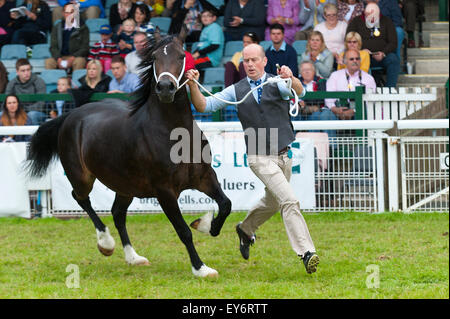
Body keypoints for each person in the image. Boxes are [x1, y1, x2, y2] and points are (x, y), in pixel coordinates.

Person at [186, 43, 320, 274]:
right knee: (289, 201)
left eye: (254, 60)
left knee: (273, 201)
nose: (249, 64)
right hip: (258, 155)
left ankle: (245, 229)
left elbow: (301, 91)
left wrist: (291, 77)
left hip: (284, 153)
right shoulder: (236, 90)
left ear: (264, 61)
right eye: (246, 61)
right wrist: (192, 84)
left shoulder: (277, 82)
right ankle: (307, 253)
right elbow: (203, 105)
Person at [346, 2, 399, 87]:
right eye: (369, 16)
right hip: (362, 56)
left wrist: (383, 53)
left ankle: (389, 90)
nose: (372, 20)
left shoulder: (386, 21)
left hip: (381, 56)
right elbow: (349, 39)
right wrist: (360, 51)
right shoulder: (356, 21)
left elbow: (393, 43)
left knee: (393, 59)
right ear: (365, 14)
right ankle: (361, 88)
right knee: (355, 58)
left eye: (375, 17)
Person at [325, 48, 376, 120]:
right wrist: (334, 109)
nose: (355, 61)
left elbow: (371, 101)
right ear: (345, 62)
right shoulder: (335, 76)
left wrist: (354, 111)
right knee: (326, 115)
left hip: (359, 112)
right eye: (351, 59)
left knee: (362, 115)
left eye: (357, 59)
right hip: (337, 110)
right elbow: (329, 97)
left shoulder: (368, 78)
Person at [297, 60, 338, 139]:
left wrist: (305, 103)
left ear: (314, 71)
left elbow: (320, 99)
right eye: (304, 70)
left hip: (317, 111)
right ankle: (291, 144)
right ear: (300, 72)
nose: (307, 72)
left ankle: (316, 147)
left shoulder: (321, 81)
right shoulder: (296, 82)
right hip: (299, 112)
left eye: (309, 69)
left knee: (316, 116)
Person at [45, 2, 90, 71]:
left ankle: (75, 81)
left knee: (79, 61)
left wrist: (73, 58)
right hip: (61, 57)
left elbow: (85, 48)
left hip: (76, 57)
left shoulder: (83, 28)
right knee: (49, 62)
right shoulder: (57, 27)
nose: (69, 15)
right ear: (63, 13)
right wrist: (58, 58)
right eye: (67, 12)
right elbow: (53, 47)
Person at [5, 58, 46, 124]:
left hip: (37, 112)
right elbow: (7, 101)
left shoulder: (39, 81)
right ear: (17, 72)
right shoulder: (12, 84)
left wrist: (24, 110)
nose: (26, 73)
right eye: (23, 71)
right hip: (16, 111)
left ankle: (33, 134)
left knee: (31, 115)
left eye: (28, 70)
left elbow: (41, 103)